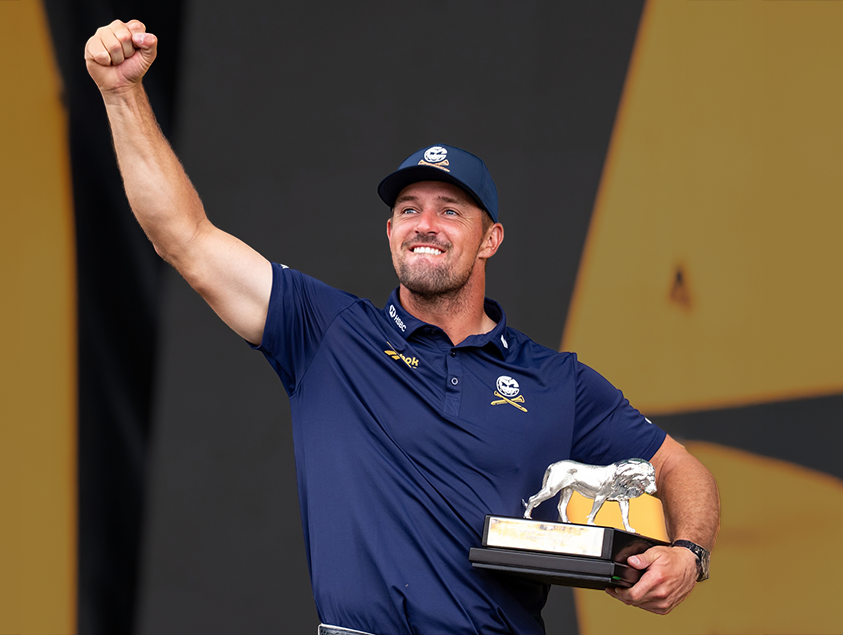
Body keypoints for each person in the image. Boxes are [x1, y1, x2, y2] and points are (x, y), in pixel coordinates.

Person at [84, 19, 720, 635]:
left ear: (491, 238)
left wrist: (688, 554)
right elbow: (185, 238)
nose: (425, 223)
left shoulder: (557, 382)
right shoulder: (325, 331)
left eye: (450, 210)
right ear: (390, 233)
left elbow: (682, 469)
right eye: (408, 209)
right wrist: (122, 92)